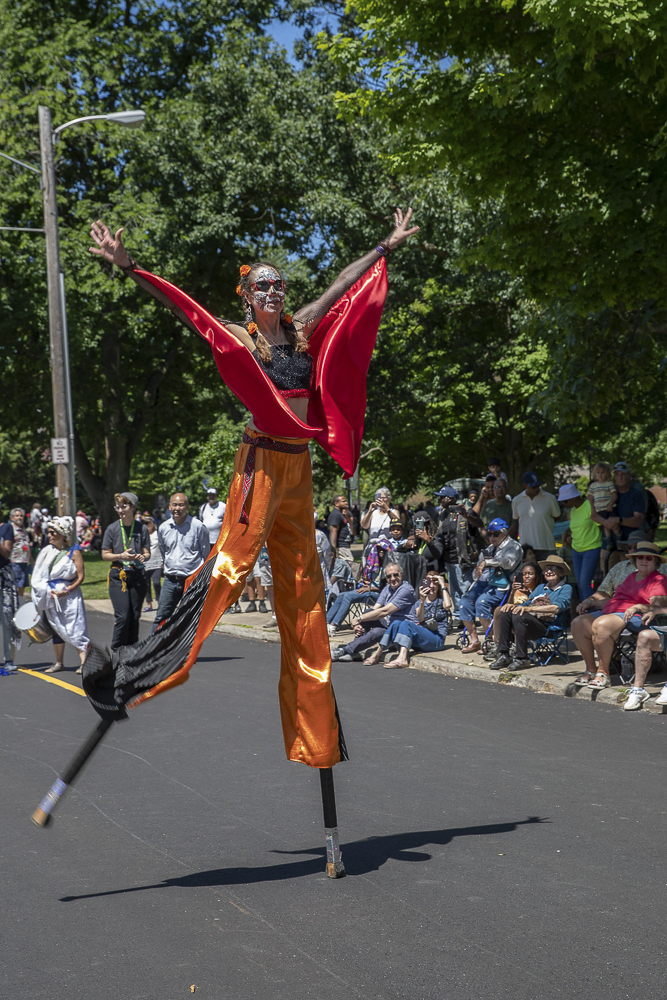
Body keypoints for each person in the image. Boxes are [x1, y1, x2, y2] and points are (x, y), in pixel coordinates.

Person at [87, 208, 419, 772]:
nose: (273, 290)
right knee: (229, 571)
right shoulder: (241, 335)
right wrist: (131, 267)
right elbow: (186, 311)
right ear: (246, 295)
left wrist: (384, 248)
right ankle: (133, 672)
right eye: (262, 284)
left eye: (278, 284)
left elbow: (342, 282)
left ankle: (316, 735)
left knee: (305, 592)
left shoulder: (301, 329)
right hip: (260, 462)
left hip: (299, 468)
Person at [571, 541, 667, 690]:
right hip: (614, 611)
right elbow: (615, 601)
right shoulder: (631, 577)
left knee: (601, 624)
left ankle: (603, 674)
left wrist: (639, 606)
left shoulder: (658, 580)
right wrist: (590, 602)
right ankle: (590, 669)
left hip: (638, 617)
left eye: (649, 558)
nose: (644, 560)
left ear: (656, 562)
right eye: (640, 557)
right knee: (578, 623)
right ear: (635, 560)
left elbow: (659, 606)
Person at [490, 555, 572, 671]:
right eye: (547, 569)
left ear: (561, 573)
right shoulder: (541, 588)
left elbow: (556, 608)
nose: (549, 572)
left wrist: (529, 609)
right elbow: (525, 605)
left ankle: (522, 658)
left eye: (553, 568)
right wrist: (512, 605)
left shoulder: (565, 588)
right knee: (505, 611)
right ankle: (504, 654)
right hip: (530, 623)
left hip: (548, 628)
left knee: (520, 615)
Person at [31, 516, 89, 673]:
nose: (49, 535)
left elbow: (80, 576)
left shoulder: (74, 552)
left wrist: (67, 590)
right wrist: (46, 591)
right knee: (55, 627)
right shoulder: (45, 552)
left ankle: (84, 662)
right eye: (48, 532)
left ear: (62, 534)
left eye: (52, 532)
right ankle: (59, 663)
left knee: (75, 626)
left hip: (70, 596)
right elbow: (38, 575)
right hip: (51, 595)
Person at [458, 518, 523, 653]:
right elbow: (478, 571)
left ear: (504, 533)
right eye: (490, 534)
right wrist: (478, 569)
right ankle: (475, 640)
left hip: (502, 584)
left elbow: (508, 563)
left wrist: (487, 562)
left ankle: (491, 641)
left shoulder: (514, 546)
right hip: (485, 582)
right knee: (464, 602)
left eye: (495, 534)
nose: (491, 537)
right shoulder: (489, 548)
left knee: (481, 603)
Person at [331, 561, 415, 662]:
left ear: (401, 574)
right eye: (389, 576)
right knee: (369, 611)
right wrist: (359, 624)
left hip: (401, 631)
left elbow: (385, 611)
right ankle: (353, 651)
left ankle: (345, 650)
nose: (392, 578)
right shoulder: (388, 588)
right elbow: (375, 609)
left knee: (377, 631)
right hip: (389, 625)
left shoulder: (405, 590)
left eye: (395, 575)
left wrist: (358, 619)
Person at [364, 571, 451, 668]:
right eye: (428, 582)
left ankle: (402, 658)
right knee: (396, 623)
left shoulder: (442, 600)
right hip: (422, 638)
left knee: (406, 624)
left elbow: (448, 606)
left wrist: (443, 584)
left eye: (435, 582)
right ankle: (377, 654)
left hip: (437, 640)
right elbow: (420, 618)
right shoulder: (419, 602)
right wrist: (422, 600)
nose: (431, 586)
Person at [101, 492, 151, 649]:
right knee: (123, 616)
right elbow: (104, 554)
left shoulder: (141, 528)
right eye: (118, 507)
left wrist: (144, 556)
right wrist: (120, 556)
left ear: (133, 507)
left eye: (124, 506)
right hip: (119, 575)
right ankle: (116, 651)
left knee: (135, 616)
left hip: (137, 575)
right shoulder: (112, 528)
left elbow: (147, 552)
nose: (120, 510)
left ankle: (131, 651)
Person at [153, 492, 210, 625]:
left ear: (187, 507)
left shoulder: (198, 527)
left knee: (190, 619)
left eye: (181, 505)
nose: (177, 508)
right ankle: (155, 645)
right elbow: (163, 551)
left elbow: (206, 554)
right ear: (169, 507)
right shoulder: (163, 528)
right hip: (170, 580)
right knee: (161, 617)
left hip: (191, 580)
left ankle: (186, 646)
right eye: (174, 505)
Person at [484, 560, 544, 661]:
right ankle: (499, 648)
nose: (527, 577)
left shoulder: (540, 590)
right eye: (524, 574)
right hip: (512, 618)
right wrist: (513, 591)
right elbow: (509, 604)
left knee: (517, 615)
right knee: (500, 610)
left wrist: (529, 593)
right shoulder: (518, 589)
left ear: (537, 576)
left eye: (530, 574)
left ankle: (517, 649)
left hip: (528, 620)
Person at [557, 484, 602, 600]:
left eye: (565, 501)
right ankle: (584, 610)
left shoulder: (589, 505)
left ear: (573, 498)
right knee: (579, 583)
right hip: (576, 550)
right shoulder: (572, 511)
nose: (563, 504)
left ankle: (589, 611)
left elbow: (600, 525)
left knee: (584, 583)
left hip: (591, 548)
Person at [511, 472, 561, 561]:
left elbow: (557, 516)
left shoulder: (550, 498)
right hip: (526, 549)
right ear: (525, 485)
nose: (536, 489)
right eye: (533, 486)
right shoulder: (516, 500)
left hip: (547, 546)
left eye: (538, 485)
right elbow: (516, 518)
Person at [597, 461, 648, 544]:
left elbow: (638, 521)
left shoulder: (636, 494)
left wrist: (618, 520)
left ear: (629, 475)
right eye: (617, 475)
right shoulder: (607, 491)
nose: (620, 478)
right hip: (609, 543)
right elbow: (594, 514)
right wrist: (605, 522)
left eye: (623, 474)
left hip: (630, 543)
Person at [0, 514, 21, 672]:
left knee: (7, 618)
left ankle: (9, 659)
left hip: (4, 578)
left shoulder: (6, 528)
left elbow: (7, 552)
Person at [587, 462, 617, 539]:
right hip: (599, 509)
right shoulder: (593, 485)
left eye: (603, 472)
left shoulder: (609, 483)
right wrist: (593, 510)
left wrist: (610, 504)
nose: (600, 475)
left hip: (610, 508)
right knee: (605, 526)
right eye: (598, 473)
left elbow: (614, 495)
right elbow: (590, 498)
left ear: (607, 473)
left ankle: (618, 538)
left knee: (614, 525)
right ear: (595, 474)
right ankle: (609, 541)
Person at [9, 507, 33, 597]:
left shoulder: (24, 530)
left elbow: (27, 546)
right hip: (14, 561)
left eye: (21, 516)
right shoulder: (10, 529)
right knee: (14, 585)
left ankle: (20, 603)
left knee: (23, 585)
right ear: (12, 518)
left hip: (24, 561)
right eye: (17, 516)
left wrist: (32, 561)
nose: (19, 518)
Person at [142, 516, 163, 612]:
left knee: (156, 583)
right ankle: (149, 603)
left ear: (152, 525)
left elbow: (163, 548)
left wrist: (164, 561)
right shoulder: (142, 536)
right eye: (144, 525)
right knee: (146, 585)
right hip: (145, 564)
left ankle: (160, 602)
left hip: (157, 563)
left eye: (148, 524)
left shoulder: (158, 535)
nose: (146, 527)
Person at [328, 495, 354, 564]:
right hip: (341, 548)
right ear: (336, 503)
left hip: (345, 547)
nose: (346, 503)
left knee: (345, 571)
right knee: (349, 568)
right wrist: (333, 550)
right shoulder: (335, 514)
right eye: (343, 501)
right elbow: (333, 532)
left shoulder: (341, 514)